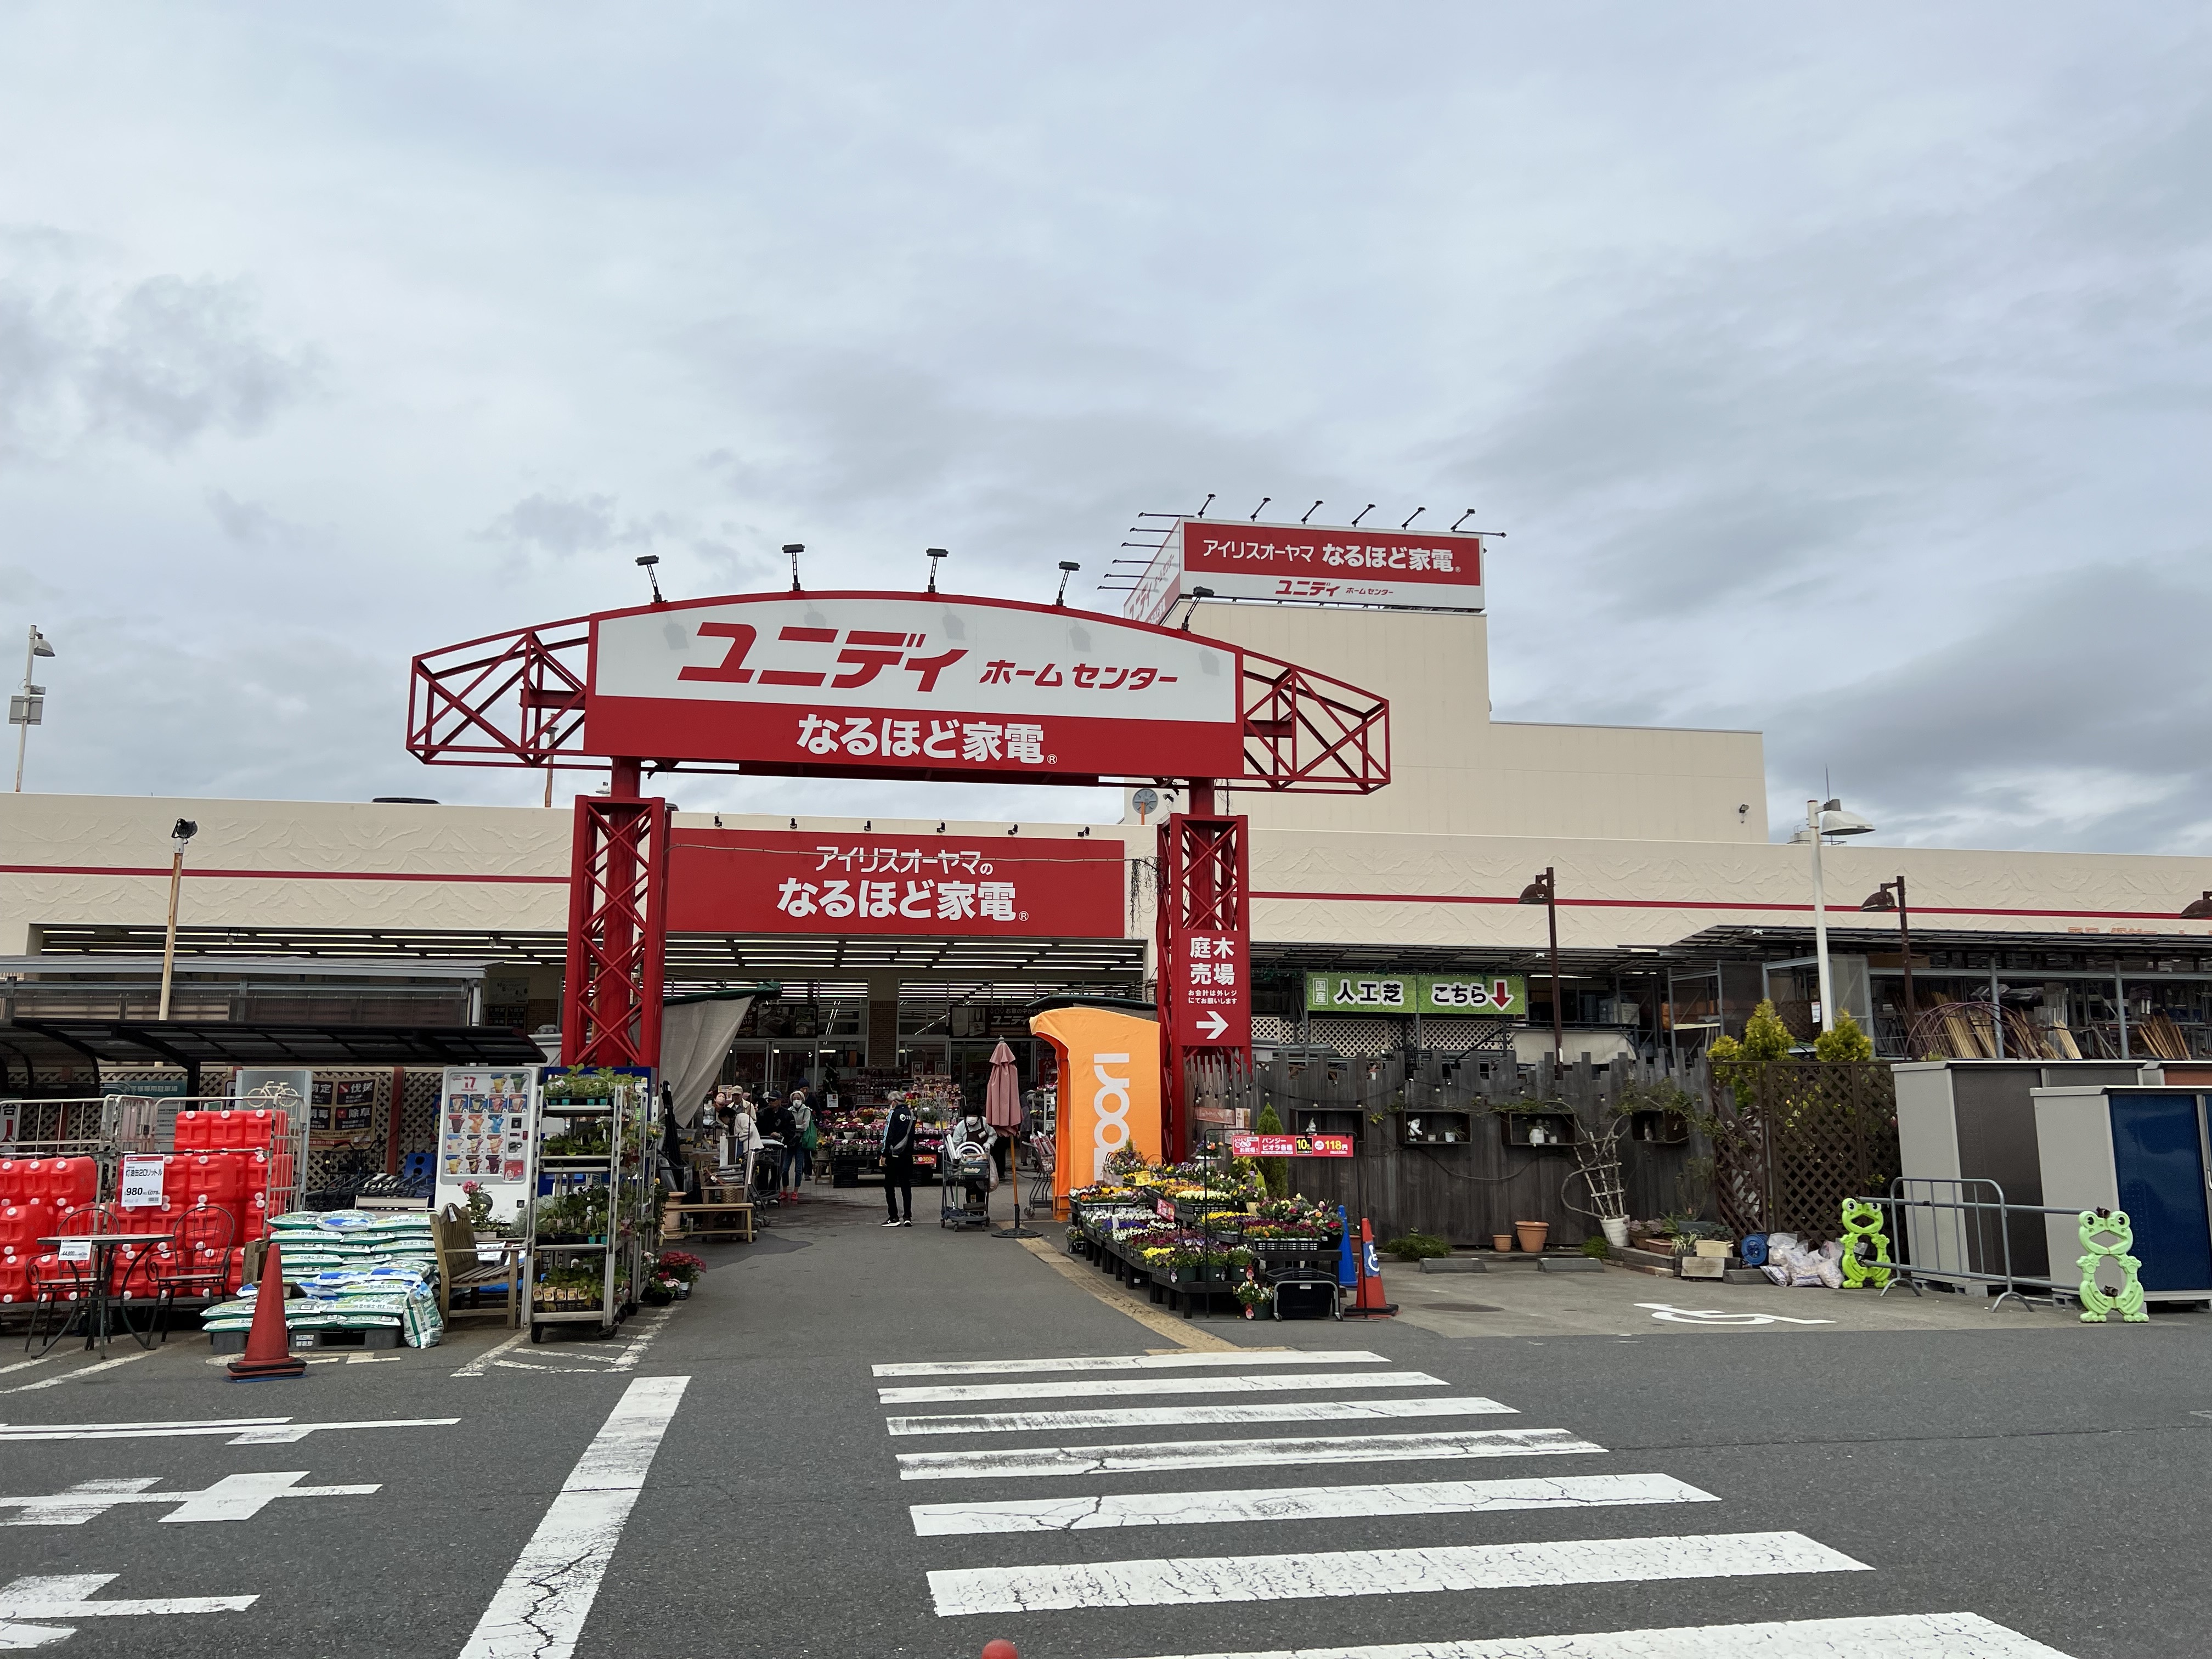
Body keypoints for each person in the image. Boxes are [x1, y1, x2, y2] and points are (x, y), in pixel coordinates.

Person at [881, 1096, 917, 1227]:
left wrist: (884, 1153)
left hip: (893, 1154)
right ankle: (908, 1216)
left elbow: (888, 1134)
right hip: (907, 1155)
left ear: (894, 1102)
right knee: (906, 1186)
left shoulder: (893, 1114)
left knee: (889, 1186)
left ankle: (893, 1217)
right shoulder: (913, 1114)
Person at [785, 1090, 814, 1194]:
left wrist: (793, 1127)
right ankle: (784, 1190)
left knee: (798, 1169)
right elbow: (786, 1126)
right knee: (785, 1168)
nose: (796, 1100)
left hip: (801, 1142)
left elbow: (805, 1127)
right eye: (794, 1099)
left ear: (802, 1099)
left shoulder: (807, 1110)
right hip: (790, 1141)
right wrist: (796, 1127)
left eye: (799, 1098)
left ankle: (796, 1191)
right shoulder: (788, 1111)